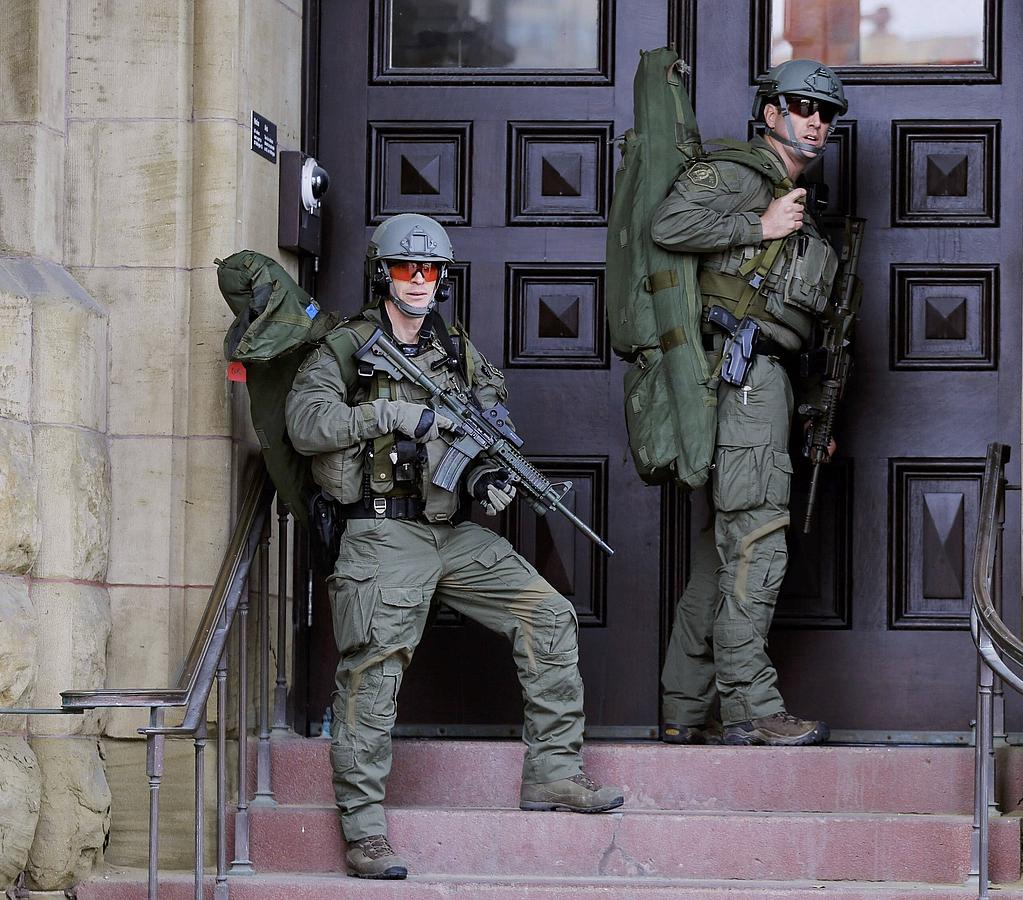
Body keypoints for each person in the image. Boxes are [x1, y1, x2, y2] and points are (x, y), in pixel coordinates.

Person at [286, 213, 624, 880]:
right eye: (406, 267)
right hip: (382, 533)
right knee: (374, 672)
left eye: (431, 269)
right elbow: (306, 424)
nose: (419, 279)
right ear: (383, 272)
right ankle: (365, 830)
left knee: (548, 614)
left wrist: (485, 478)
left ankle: (553, 773)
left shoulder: (455, 351)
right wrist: (390, 413)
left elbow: (479, 431)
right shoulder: (345, 348)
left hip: (450, 534)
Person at [650, 59, 848, 747]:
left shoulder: (797, 202)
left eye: (827, 113)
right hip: (738, 377)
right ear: (771, 113)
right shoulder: (741, 176)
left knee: (724, 550)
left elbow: (793, 323)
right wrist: (758, 225)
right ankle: (751, 708)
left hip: (766, 383)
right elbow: (670, 223)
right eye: (802, 107)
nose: (816, 121)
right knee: (756, 543)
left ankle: (683, 705)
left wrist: (809, 414)